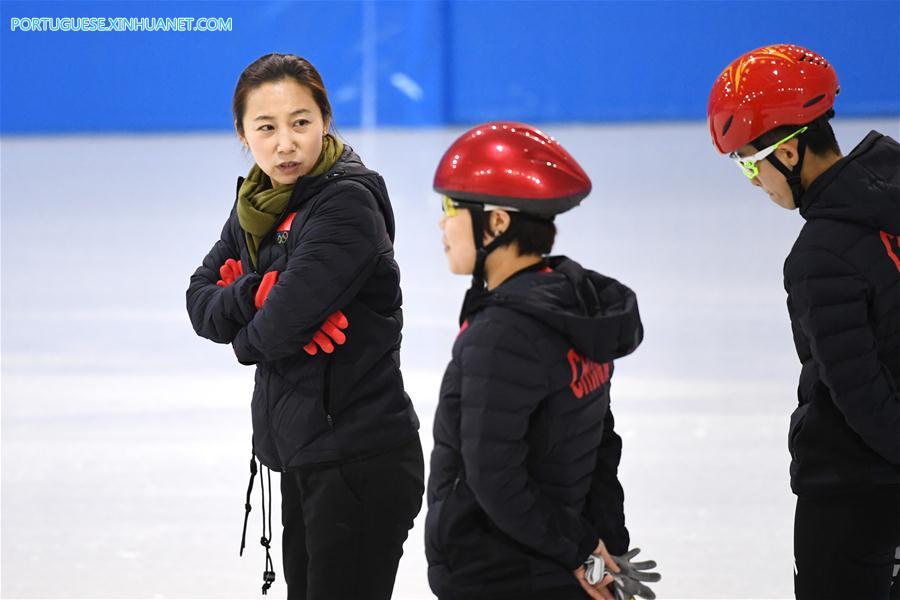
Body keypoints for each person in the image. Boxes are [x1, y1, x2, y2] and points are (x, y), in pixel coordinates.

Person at [185, 53, 423, 599]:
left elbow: (266, 337)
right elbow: (199, 301)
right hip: (305, 453)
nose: (285, 143)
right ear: (243, 134)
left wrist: (257, 322)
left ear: (325, 121)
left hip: (359, 459)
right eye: (266, 127)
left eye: (300, 122)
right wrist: (255, 292)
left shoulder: (346, 203)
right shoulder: (257, 203)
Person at [425, 121, 659, 600]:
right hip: (556, 559)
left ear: (497, 223)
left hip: (499, 571)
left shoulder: (501, 336)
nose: (441, 225)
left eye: (450, 208)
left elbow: (494, 478)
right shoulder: (575, 308)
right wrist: (603, 549)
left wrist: (585, 551)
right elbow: (600, 448)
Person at [708, 44, 900, 599]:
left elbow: (859, 393)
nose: (753, 182)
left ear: (789, 153)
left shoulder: (819, 256)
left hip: (854, 494)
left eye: (749, 163)